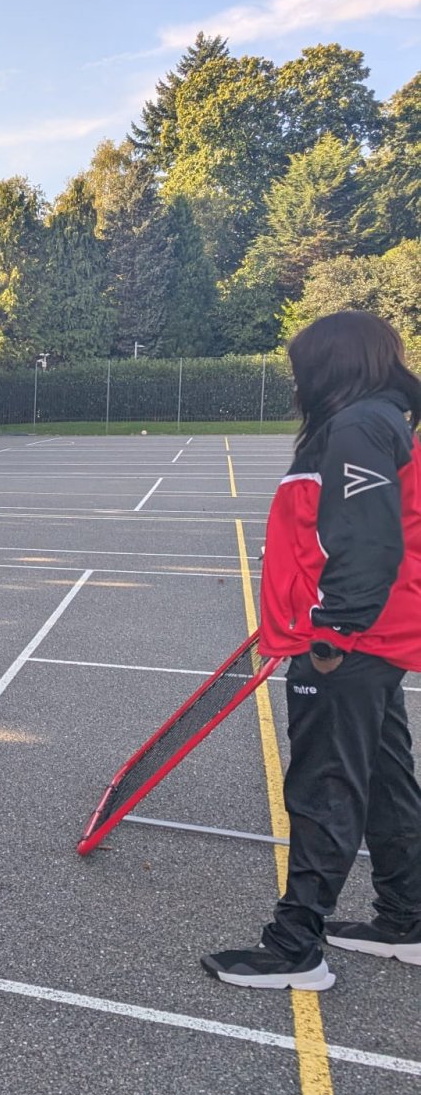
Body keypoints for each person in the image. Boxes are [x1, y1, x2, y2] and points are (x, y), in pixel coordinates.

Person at [203, 311, 421, 989]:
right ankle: (406, 919)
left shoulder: (358, 426)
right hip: (376, 638)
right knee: (384, 778)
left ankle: (295, 948)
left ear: (331, 366)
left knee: (324, 786)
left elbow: (367, 541)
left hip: (351, 643)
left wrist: (330, 634)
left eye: (303, 370)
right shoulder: (384, 419)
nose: (299, 384)